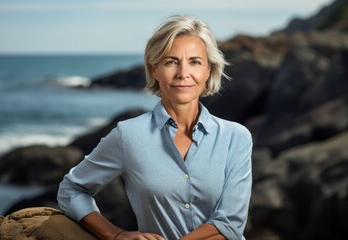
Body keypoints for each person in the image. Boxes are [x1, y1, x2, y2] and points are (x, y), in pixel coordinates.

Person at [57, 15, 253, 240]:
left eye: (195, 62)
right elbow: (72, 189)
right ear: (155, 69)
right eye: (171, 61)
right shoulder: (128, 136)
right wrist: (115, 235)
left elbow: (230, 224)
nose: (183, 73)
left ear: (208, 70)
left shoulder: (236, 138)